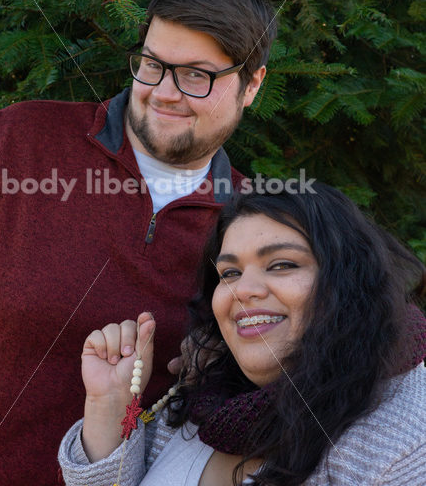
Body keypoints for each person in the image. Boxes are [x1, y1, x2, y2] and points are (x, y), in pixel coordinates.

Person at [0, 0, 277, 485]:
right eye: (153, 65)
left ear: (252, 85)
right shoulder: (20, 144)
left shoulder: (252, 226)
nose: (164, 92)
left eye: (196, 76)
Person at [59, 183, 426, 485]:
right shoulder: (201, 398)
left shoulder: (409, 438)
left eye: (282, 265)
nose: (242, 289)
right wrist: (109, 408)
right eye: (229, 273)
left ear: (348, 282)